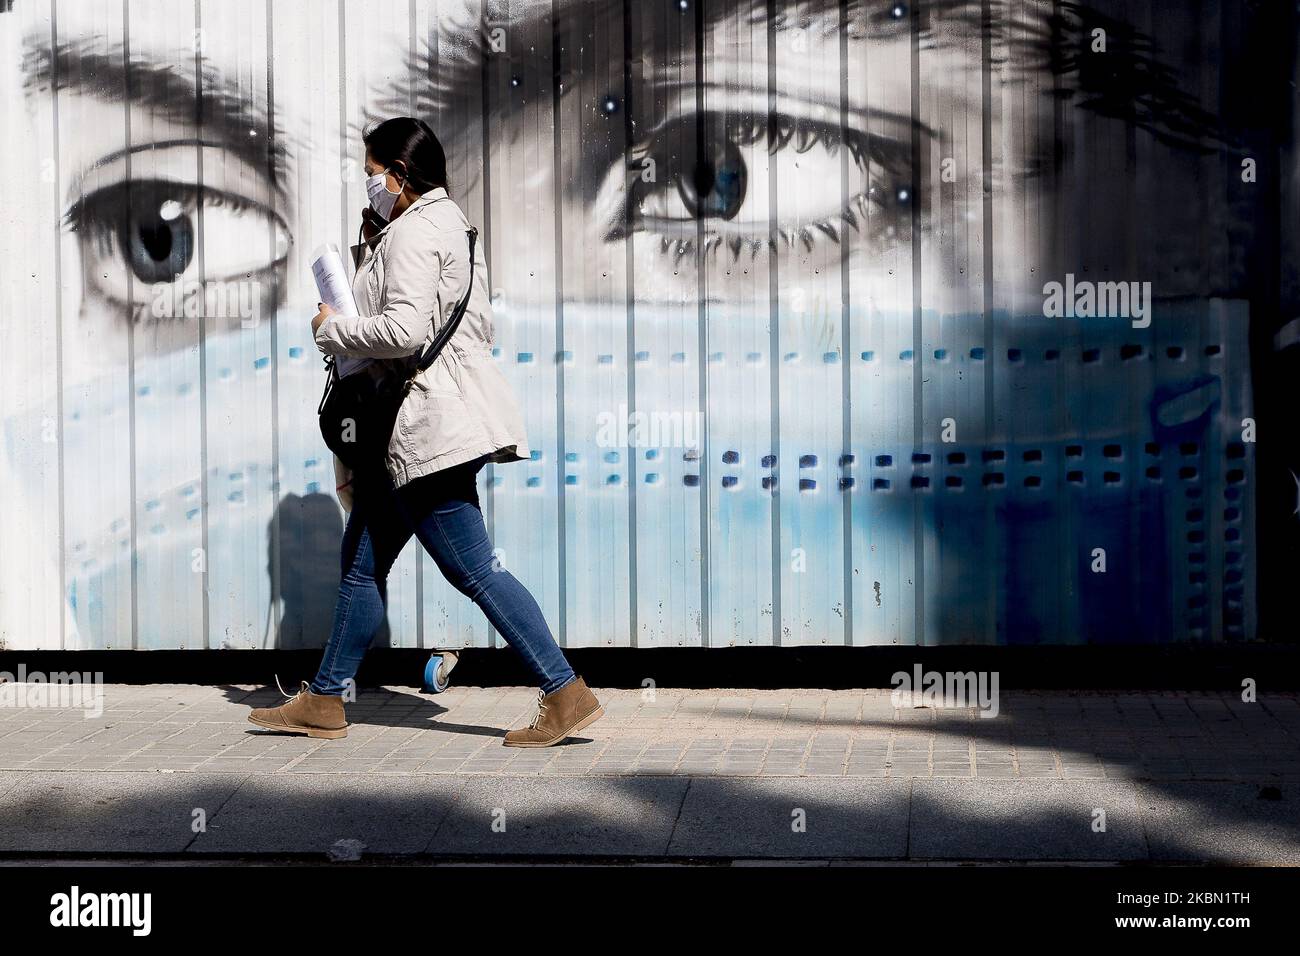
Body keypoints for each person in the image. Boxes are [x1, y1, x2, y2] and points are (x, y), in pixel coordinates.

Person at [248, 117, 603, 746]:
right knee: (361, 564)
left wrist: (334, 329)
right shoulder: (455, 226)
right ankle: (325, 700)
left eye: (373, 174)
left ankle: (564, 689)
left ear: (400, 173)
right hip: (430, 421)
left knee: (475, 570)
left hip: (425, 429)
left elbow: (406, 331)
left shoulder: (413, 233)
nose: (370, 185)